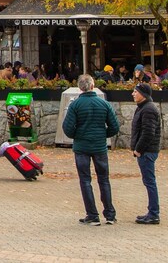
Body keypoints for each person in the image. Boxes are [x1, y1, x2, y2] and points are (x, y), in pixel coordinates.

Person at [62, 74, 119, 225]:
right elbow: (114, 126)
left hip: (82, 147)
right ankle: (110, 214)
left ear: (80, 88)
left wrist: (78, 135)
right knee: (104, 179)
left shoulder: (75, 105)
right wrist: (103, 135)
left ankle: (92, 214)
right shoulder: (104, 104)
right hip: (100, 146)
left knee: (85, 180)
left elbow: (67, 128)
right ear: (93, 86)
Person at [131, 83, 161, 224]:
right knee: (148, 181)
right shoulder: (143, 108)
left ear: (143, 94)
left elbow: (148, 133)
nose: (133, 94)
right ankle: (151, 211)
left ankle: (154, 214)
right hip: (145, 151)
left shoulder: (148, 109)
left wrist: (138, 150)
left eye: (135, 92)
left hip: (147, 152)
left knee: (150, 182)